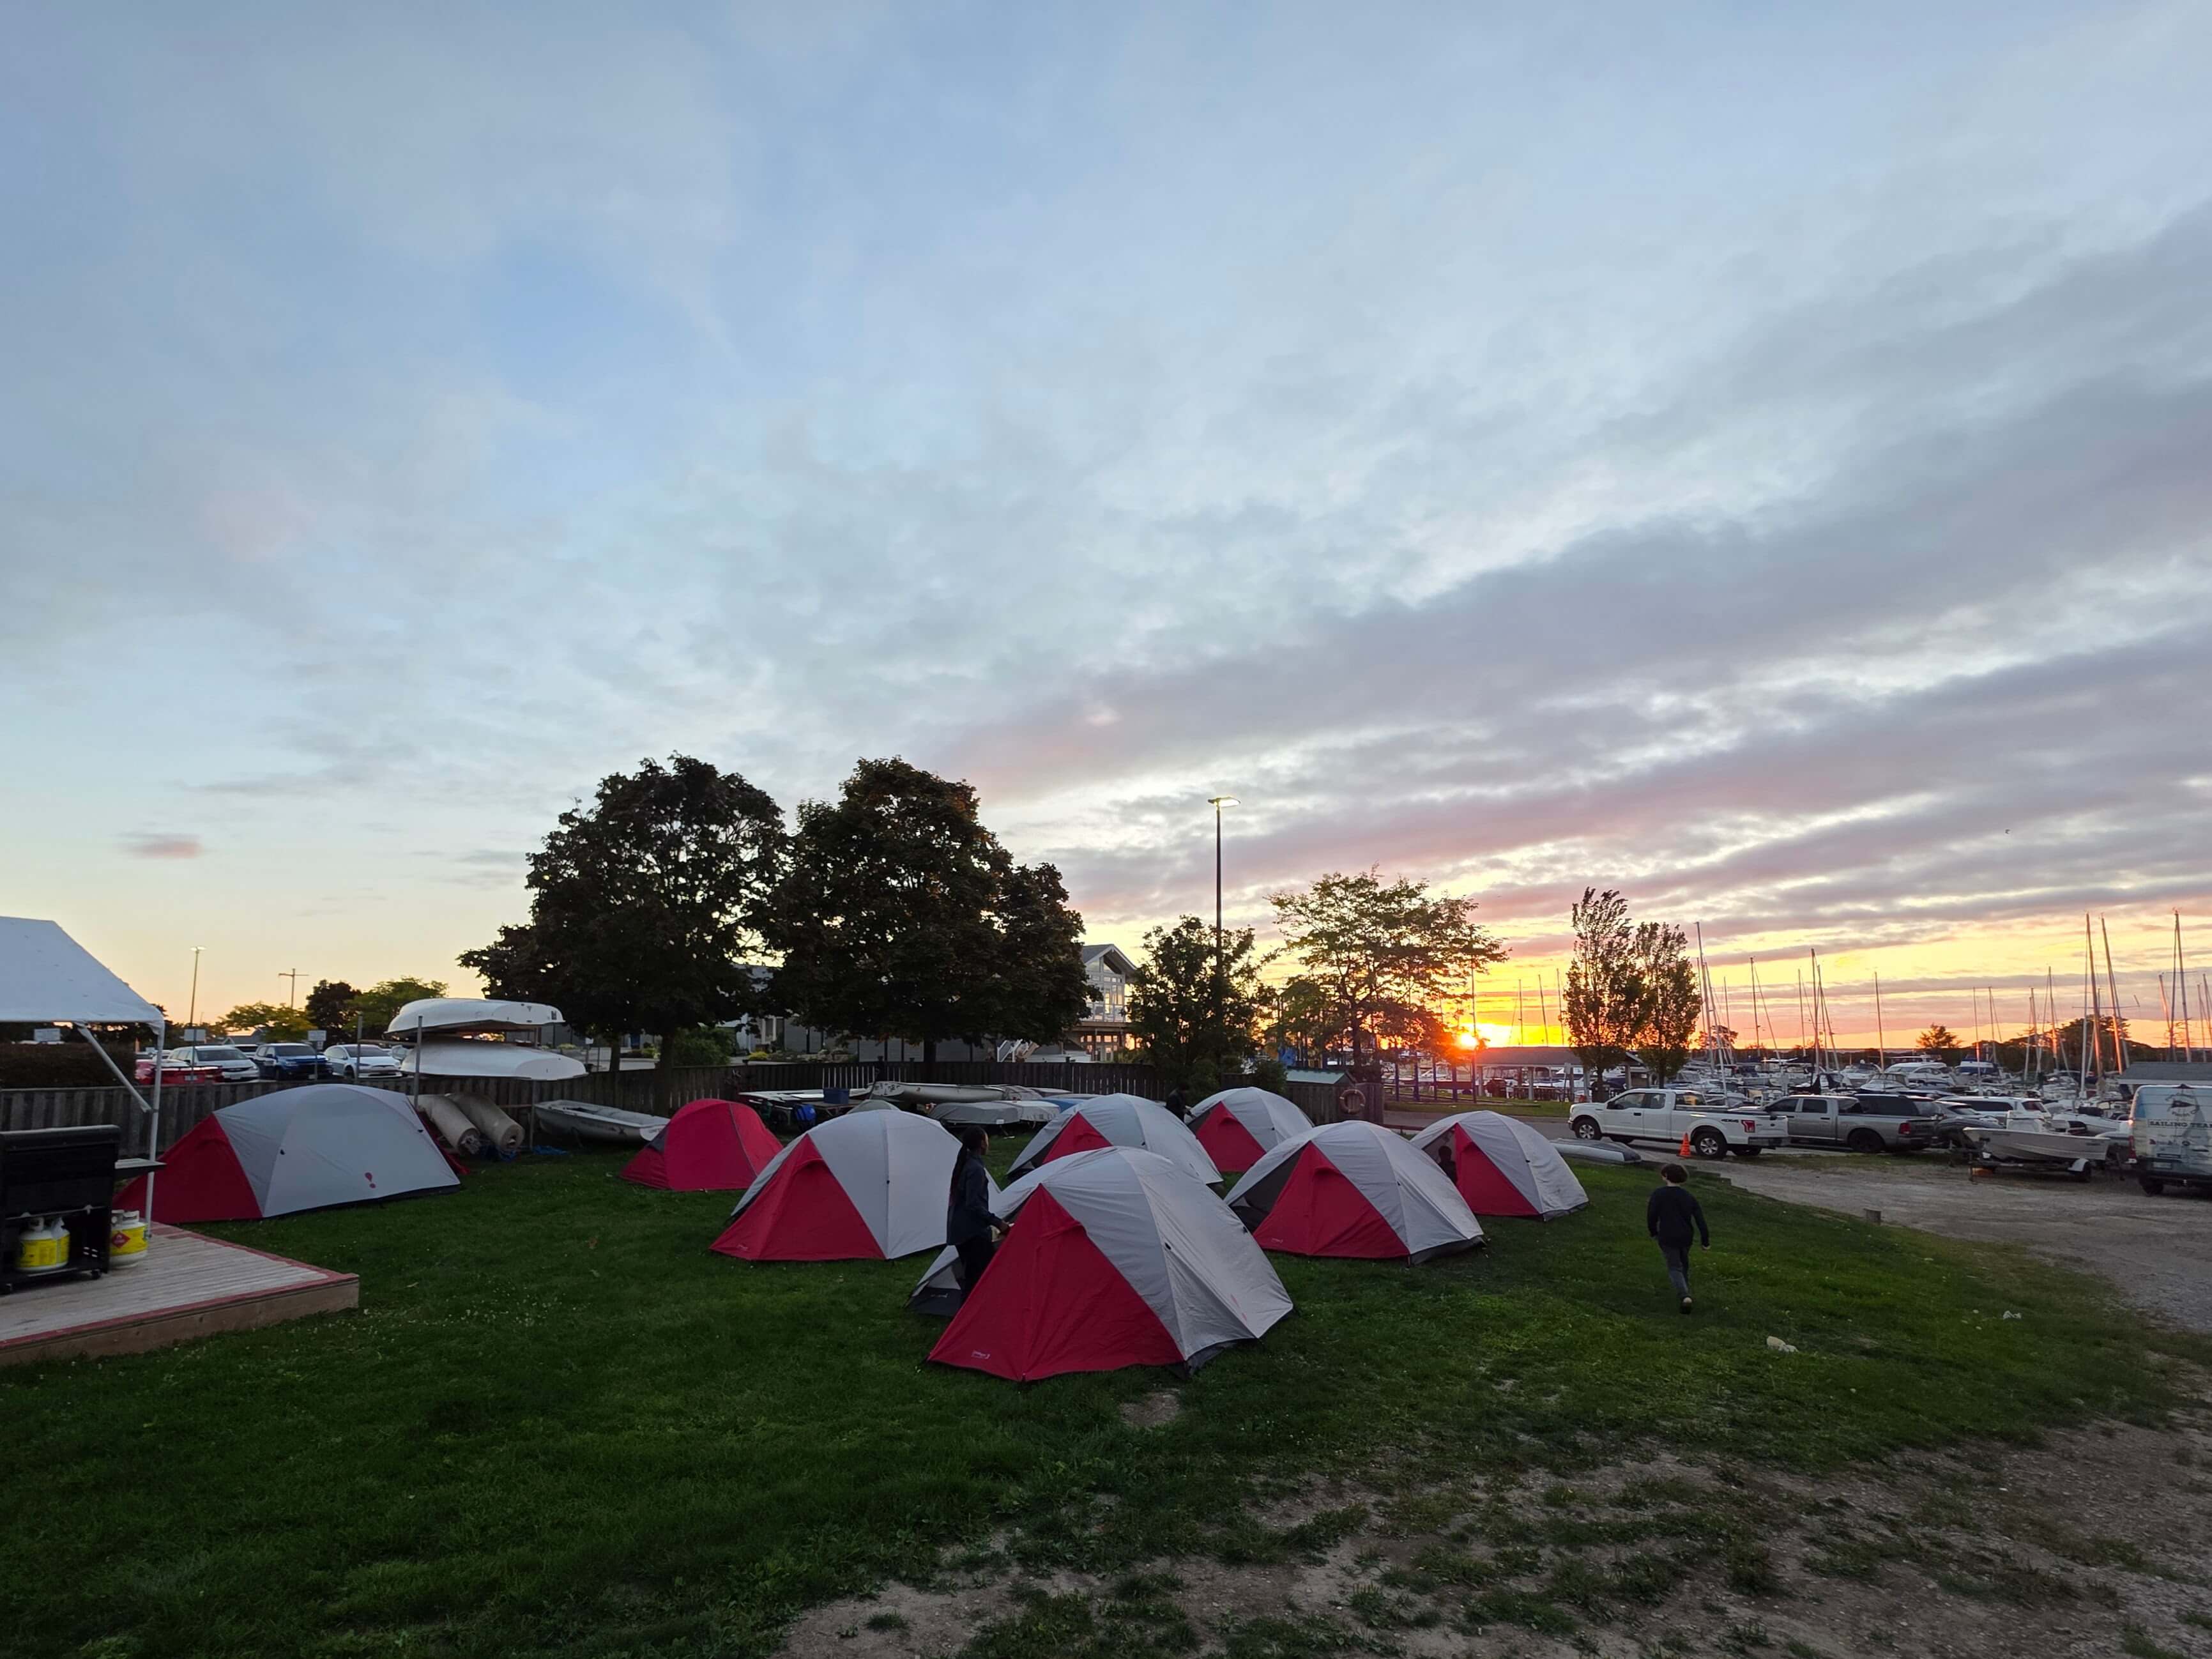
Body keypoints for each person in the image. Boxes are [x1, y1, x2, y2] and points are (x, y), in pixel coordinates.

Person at [1645, 1163, 1709, 1313]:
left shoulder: (1659, 1194)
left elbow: (1652, 1215)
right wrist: (1705, 1241)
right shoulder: (1688, 1197)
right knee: (1684, 1263)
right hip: (1686, 1236)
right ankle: (1685, 1289)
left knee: (1674, 1266)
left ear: (1666, 1176)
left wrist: (1653, 1231)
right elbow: (1700, 1220)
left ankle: (1684, 1296)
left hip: (1667, 1235)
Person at [946, 1127, 1000, 1298]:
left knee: (973, 1275)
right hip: (972, 1232)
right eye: (987, 1139)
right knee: (977, 1278)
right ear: (982, 1143)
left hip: (960, 1229)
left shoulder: (966, 1163)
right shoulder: (975, 1168)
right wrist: (998, 1223)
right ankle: (965, 1319)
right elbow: (974, 1205)